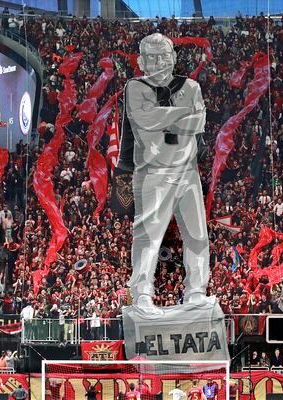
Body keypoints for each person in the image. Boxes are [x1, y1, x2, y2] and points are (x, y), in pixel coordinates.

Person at [120, 33, 208, 316]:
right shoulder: (135, 87)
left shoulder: (191, 86)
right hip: (153, 173)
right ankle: (142, 294)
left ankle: (196, 292)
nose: (159, 62)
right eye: (153, 57)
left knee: (196, 235)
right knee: (148, 237)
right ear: (141, 61)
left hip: (187, 171)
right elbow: (145, 120)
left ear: (173, 57)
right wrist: (182, 113)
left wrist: (164, 115)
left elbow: (199, 122)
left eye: (164, 56)